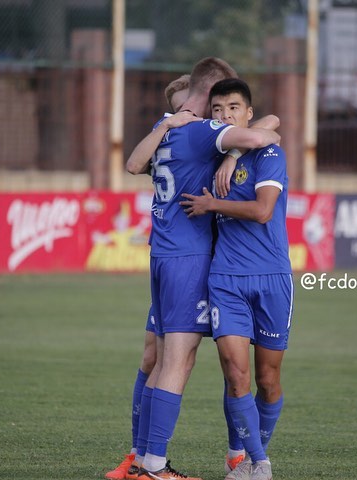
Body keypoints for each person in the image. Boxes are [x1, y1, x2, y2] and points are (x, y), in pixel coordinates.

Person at [128, 57, 280, 480]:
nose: (224, 112)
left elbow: (133, 165)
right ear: (212, 94)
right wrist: (235, 150)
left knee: (161, 361)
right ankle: (154, 467)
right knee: (179, 361)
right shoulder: (202, 130)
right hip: (189, 258)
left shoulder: (167, 128)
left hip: (163, 253)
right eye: (221, 103)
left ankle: (142, 459)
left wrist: (228, 153)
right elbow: (265, 132)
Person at [180, 78, 292, 480]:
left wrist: (213, 202)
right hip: (226, 279)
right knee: (234, 372)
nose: (225, 116)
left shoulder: (269, 153)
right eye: (217, 110)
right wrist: (229, 154)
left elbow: (263, 211)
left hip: (272, 278)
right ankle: (255, 462)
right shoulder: (210, 153)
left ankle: (246, 458)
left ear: (247, 113)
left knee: (267, 379)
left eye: (233, 108)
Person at [105, 75, 195, 480]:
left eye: (189, 108)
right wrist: (167, 125)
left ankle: (142, 459)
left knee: (164, 358)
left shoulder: (203, 136)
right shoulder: (172, 133)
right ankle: (143, 459)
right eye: (178, 110)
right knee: (160, 357)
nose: (184, 115)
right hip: (175, 257)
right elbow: (133, 164)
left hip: (174, 256)